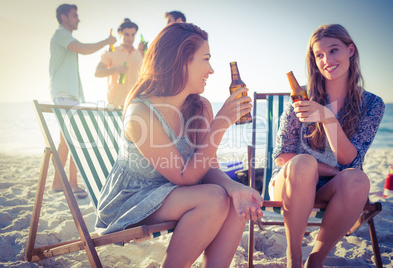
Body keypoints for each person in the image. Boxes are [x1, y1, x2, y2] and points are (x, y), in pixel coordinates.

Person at [95, 22, 263, 267]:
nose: (212, 70)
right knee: (214, 198)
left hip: (173, 192)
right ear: (182, 60)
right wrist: (222, 123)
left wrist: (234, 187)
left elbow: (208, 168)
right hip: (132, 200)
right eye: (205, 59)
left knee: (232, 199)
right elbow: (186, 177)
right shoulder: (141, 113)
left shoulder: (199, 106)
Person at [270, 24, 385, 268]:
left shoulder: (372, 104)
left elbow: (350, 162)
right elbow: (281, 157)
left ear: (350, 50)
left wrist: (328, 118)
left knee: (358, 180)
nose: (327, 60)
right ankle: (295, 258)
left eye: (334, 51)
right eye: (319, 55)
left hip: (331, 193)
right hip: (290, 185)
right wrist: (328, 170)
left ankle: (316, 261)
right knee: (303, 163)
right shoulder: (300, 99)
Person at [49, 4, 116, 198]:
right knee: (74, 140)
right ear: (64, 17)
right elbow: (84, 49)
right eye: (74, 15)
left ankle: (57, 183)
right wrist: (107, 41)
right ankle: (71, 183)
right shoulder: (60, 34)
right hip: (64, 95)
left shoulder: (64, 36)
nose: (78, 19)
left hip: (69, 95)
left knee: (66, 141)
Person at [95, 18, 145, 108]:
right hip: (115, 104)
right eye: (127, 35)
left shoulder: (140, 54)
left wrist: (144, 54)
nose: (130, 38)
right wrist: (116, 69)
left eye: (133, 35)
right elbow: (98, 72)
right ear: (120, 34)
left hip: (135, 104)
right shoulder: (112, 52)